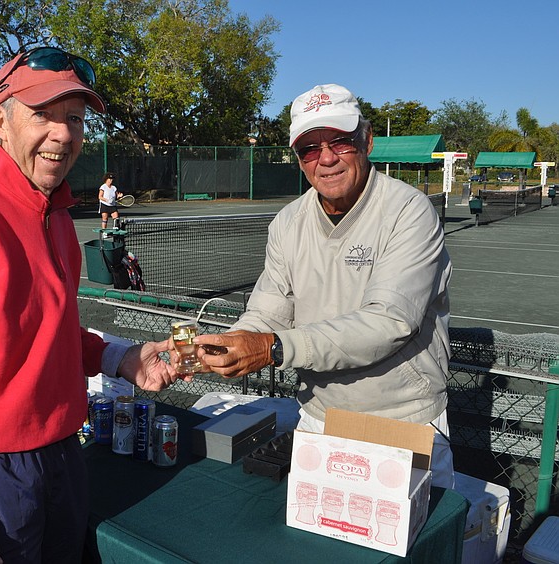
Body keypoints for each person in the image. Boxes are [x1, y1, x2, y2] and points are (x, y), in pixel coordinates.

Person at [0, 47, 181, 564]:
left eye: (75, 118)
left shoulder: (58, 215)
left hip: (65, 454)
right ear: (1, 121)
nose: (63, 134)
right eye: (42, 113)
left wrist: (121, 359)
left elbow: (50, 332)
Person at [191, 83, 455, 488]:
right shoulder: (288, 222)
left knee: (409, 549)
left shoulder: (408, 210)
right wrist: (224, 345)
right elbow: (269, 309)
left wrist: (273, 348)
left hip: (402, 420)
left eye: (340, 141)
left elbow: (389, 322)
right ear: (298, 158)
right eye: (309, 149)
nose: (326, 159)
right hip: (317, 417)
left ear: (366, 140)